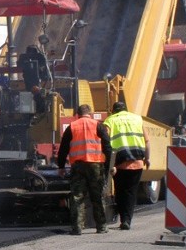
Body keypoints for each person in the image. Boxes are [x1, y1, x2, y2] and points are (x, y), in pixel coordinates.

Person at [57, 104, 113, 235]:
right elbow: (107, 146)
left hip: (78, 166)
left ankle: (77, 227)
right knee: (97, 195)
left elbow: (63, 148)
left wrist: (61, 167)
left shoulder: (72, 126)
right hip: (95, 165)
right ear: (90, 113)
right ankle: (101, 226)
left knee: (77, 196)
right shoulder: (98, 125)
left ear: (77, 114)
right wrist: (110, 166)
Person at [103, 101, 150, 230]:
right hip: (137, 161)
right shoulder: (137, 119)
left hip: (119, 164)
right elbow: (147, 141)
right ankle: (127, 220)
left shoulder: (110, 120)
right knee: (131, 192)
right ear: (125, 109)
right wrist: (148, 158)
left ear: (113, 111)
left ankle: (123, 218)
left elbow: (106, 143)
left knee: (120, 191)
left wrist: (108, 163)